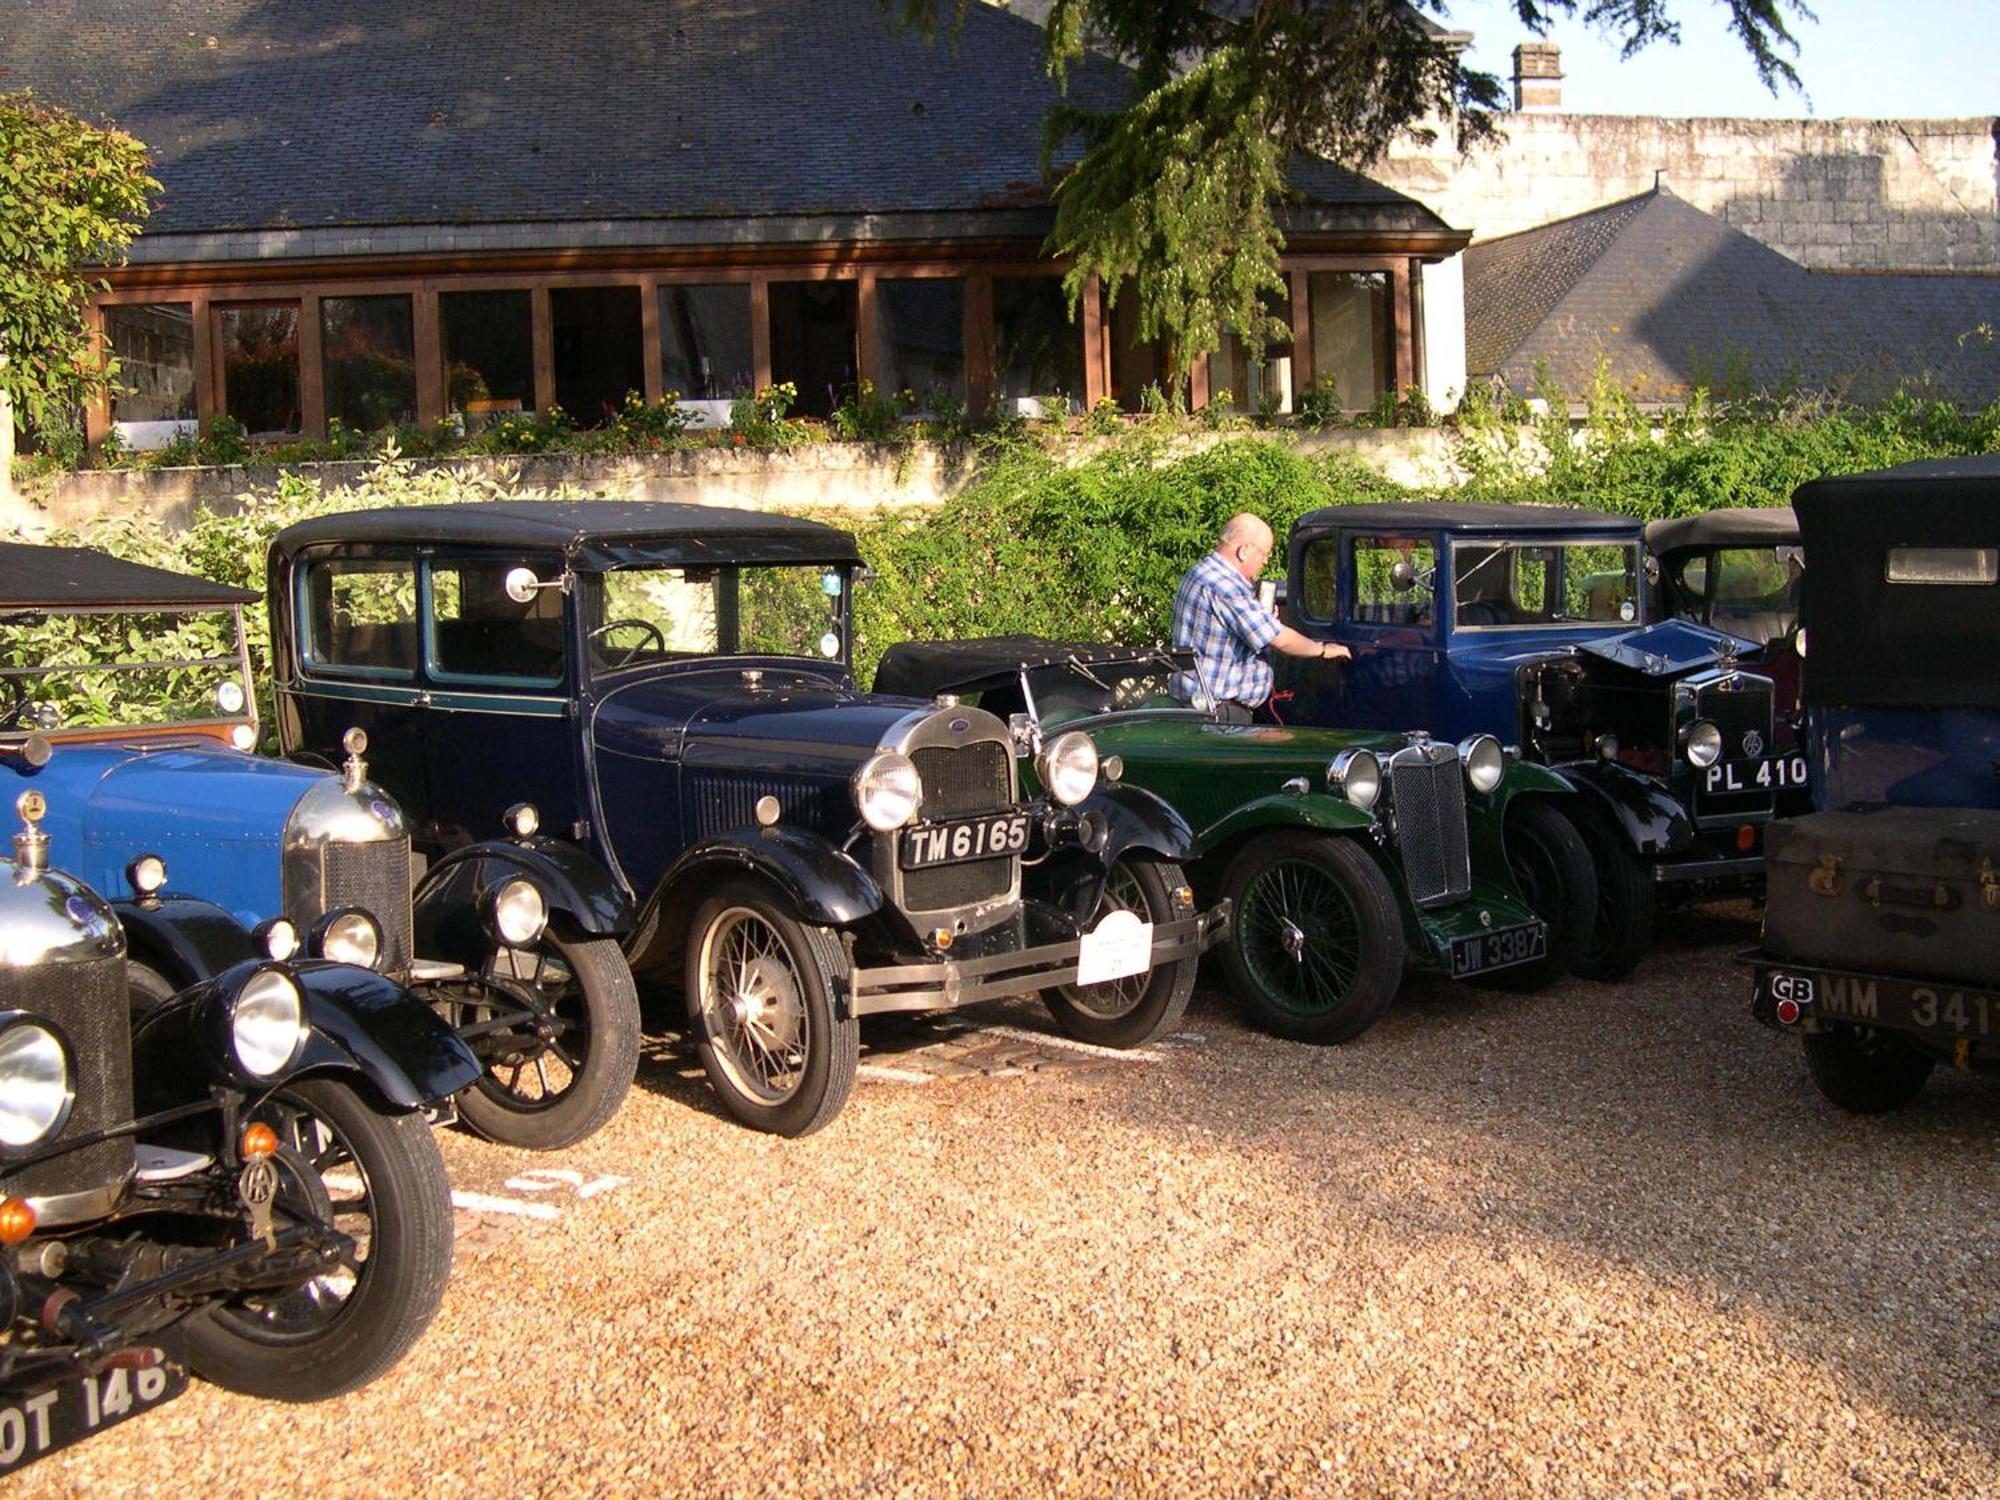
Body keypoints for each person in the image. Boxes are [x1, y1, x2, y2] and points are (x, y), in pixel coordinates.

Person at [1171, 513, 1350, 722]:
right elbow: (1279, 639)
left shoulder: (1200, 571)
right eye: (1264, 553)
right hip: (1219, 711)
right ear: (1244, 550)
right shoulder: (1225, 585)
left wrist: (1263, 617)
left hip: (1199, 703)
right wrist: (1323, 650)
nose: (1265, 560)